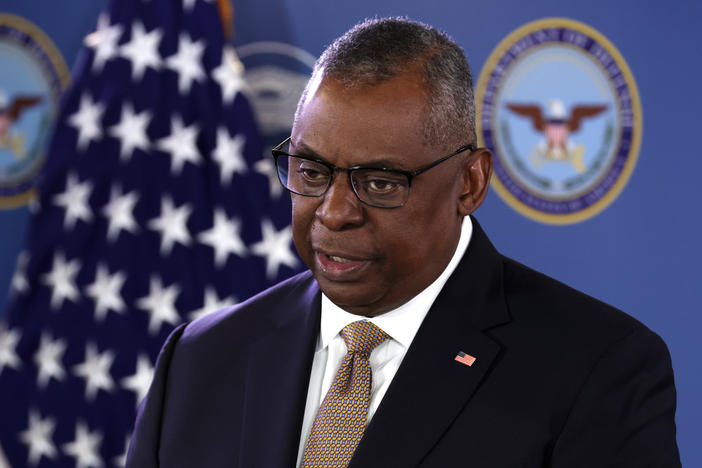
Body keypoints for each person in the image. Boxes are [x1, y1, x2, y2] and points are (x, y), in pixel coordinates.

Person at [126, 17, 681, 467]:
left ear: (470, 183)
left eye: (380, 183)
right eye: (312, 171)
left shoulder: (598, 371)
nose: (335, 213)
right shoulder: (199, 361)